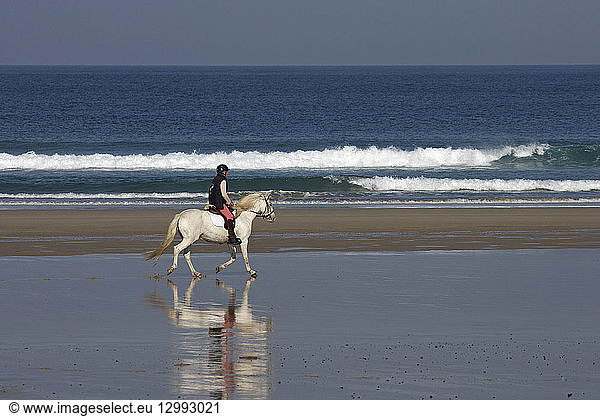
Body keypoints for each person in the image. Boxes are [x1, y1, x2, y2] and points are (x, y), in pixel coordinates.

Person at [209, 164, 242, 245]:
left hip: (212, 202)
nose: (227, 173)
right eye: (226, 171)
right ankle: (232, 238)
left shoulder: (215, 179)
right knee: (230, 216)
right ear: (224, 172)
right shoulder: (223, 180)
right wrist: (229, 202)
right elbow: (224, 194)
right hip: (219, 203)